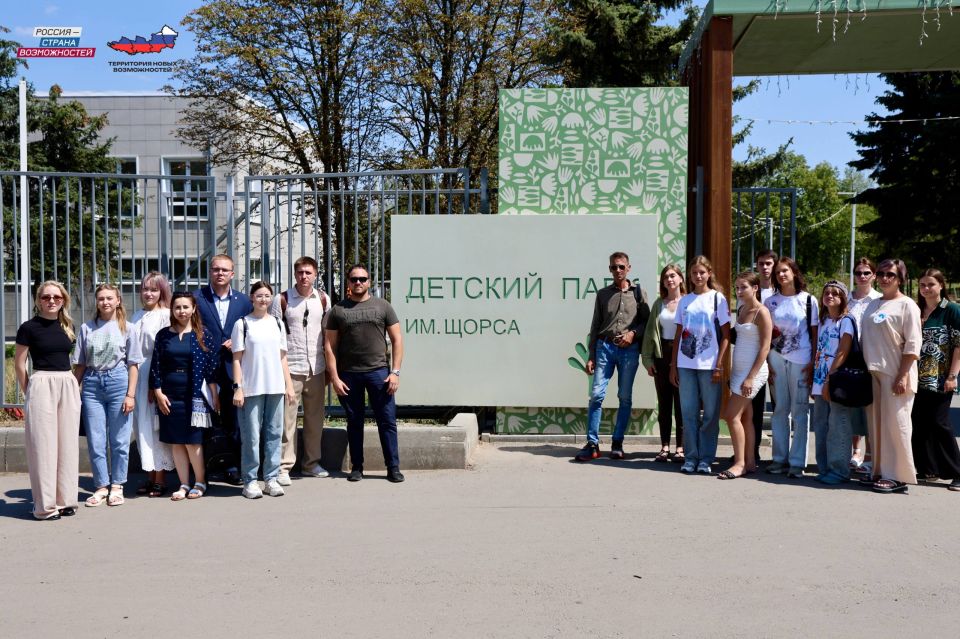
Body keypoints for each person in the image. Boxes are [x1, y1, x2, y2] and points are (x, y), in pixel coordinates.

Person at [325, 264, 405, 482]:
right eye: (354, 279)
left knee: (387, 421)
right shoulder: (338, 310)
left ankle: (393, 467)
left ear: (369, 282)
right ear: (348, 282)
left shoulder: (383, 306)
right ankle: (357, 467)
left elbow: (397, 339)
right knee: (354, 421)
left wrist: (395, 372)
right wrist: (335, 377)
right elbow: (329, 346)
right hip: (349, 375)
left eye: (362, 279)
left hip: (379, 373)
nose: (358, 282)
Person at [14, 282, 81, 520]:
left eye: (56, 297)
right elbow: (19, 364)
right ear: (38, 300)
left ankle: (65, 500)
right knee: (43, 446)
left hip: (67, 383)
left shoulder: (68, 325)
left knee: (67, 444)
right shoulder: (28, 328)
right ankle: (45, 506)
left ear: (63, 300)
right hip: (42, 383)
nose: (51, 301)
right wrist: (29, 390)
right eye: (46, 297)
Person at [73, 283, 144, 507]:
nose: (105, 302)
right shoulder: (87, 328)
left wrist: (130, 395)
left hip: (118, 382)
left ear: (118, 300)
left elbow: (134, 364)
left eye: (109, 298)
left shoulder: (128, 328)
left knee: (119, 440)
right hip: (92, 385)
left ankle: (118, 485)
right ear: (97, 301)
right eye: (101, 298)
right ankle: (101, 485)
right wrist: (74, 389)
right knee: (96, 440)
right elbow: (81, 364)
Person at [575, 251, 650, 462]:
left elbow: (647, 323)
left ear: (628, 268)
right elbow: (595, 325)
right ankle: (592, 444)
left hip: (629, 350)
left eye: (621, 266)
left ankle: (618, 442)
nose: (617, 270)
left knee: (624, 397)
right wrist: (591, 355)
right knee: (596, 395)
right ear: (609, 269)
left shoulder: (639, 293)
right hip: (605, 348)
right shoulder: (602, 294)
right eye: (613, 267)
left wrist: (633, 333)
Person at [860, 258, 922, 494]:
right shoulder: (873, 304)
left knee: (897, 426)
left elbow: (913, 344)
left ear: (901, 279)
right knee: (877, 427)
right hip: (873, 373)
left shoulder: (907, 305)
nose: (885, 278)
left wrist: (902, 375)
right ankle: (878, 470)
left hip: (896, 374)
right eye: (882, 274)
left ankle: (897, 476)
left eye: (891, 275)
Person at [151, 292, 220, 501]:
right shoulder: (163, 335)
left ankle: (200, 482)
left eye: (185, 307)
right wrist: (158, 392)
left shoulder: (203, 334)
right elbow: (156, 366)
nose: (182, 311)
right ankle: (183, 484)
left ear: (193, 309)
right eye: (177, 307)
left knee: (193, 441)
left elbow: (212, 368)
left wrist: (215, 396)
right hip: (169, 395)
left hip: (194, 394)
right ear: (172, 310)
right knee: (176, 442)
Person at [270, 256, 332, 484]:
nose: (304, 277)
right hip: (290, 368)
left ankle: (311, 464)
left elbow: (328, 333)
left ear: (315, 275)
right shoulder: (282, 299)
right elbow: (273, 334)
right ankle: (284, 467)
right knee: (287, 421)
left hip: (316, 368)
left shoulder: (323, 299)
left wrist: (330, 368)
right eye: (300, 273)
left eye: (308, 273)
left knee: (315, 420)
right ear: (295, 274)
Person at [232, 281, 296, 499]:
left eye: (267, 295)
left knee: (274, 433)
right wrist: (238, 388)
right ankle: (250, 480)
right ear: (252, 298)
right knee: (251, 436)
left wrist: (288, 386)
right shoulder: (242, 324)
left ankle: (270, 478)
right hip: (251, 388)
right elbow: (237, 359)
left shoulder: (277, 323)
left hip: (275, 387)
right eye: (259, 295)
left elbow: (282, 357)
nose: (263, 299)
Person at [194, 254, 253, 485]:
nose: (220, 273)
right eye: (216, 269)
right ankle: (202, 469)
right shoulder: (197, 298)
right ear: (210, 271)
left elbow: (251, 329)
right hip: (203, 367)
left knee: (234, 421)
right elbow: (190, 327)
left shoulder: (243, 301)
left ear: (232, 274)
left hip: (232, 368)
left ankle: (233, 467)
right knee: (201, 419)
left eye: (224, 270)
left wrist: (238, 341)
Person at [670, 255, 730, 475]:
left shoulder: (717, 299)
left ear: (709, 273)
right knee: (689, 413)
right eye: (694, 273)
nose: (698, 276)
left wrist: (719, 364)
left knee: (711, 415)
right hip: (686, 365)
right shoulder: (685, 301)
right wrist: (673, 365)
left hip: (709, 366)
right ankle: (691, 457)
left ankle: (705, 458)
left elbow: (726, 335)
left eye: (702, 272)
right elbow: (678, 334)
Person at [763, 257, 819, 478]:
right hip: (776, 360)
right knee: (780, 410)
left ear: (794, 272)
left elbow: (814, 334)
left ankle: (797, 462)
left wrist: (813, 362)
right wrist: (767, 362)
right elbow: (766, 336)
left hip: (801, 360)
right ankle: (779, 459)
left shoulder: (808, 300)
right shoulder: (770, 302)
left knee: (800, 411)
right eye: (778, 272)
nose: (781, 275)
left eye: (785, 271)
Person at [718, 272, 771, 479]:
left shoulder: (762, 312)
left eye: (743, 287)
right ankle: (749, 462)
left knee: (731, 416)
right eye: (737, 287)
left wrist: (750, 377)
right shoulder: (741, 309)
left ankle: (738, 464)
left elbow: (765, 347)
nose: (739, 291)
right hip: (739, 371)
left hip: (752, 373)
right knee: (746, 418)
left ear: (755, 288)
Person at [912, 269, 960, 491]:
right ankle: (928, 469)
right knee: (919, 422)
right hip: (916, 377)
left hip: (940, 378)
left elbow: (958, 346)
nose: (926, 289)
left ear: (941, 285)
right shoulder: (917, 310)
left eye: (930, 284)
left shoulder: (951, 310)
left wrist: (953, 375)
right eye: (922, 285)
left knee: (940, 423)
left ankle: (957, 471)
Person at [130, 272, 174, 497]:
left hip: (154, 372)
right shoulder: (136, 315)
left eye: (154, 289)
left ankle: (160, 478)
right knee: (141, 427)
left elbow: (165, 351)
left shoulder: (166, 316)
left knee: (155, 427)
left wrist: (154, 384)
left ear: (162, 292)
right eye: (145, 289)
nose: (149, 293)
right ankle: (149, 475)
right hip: (135, 373)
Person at [810, 281, 856, 485]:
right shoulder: (823, 320)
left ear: (843, 298)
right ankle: (824, 467)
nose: (829, 296)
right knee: (821, 425)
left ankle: (840, 470)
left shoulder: (846, 321)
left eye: (835, 294)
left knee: (838, 424)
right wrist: (815, 381)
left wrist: (830, 379)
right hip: (819, 378)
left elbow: (843, 351)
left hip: (836, 379)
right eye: (826, 293)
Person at [641, 264, 684, 462]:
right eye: (666, 277)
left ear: (681, 278)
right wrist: (648, 359)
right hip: (661, 355)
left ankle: (681, 447)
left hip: (683, 357)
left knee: (682, 403)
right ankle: (665, 445)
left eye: (673, 276)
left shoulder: (688, 301)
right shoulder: (659, 304)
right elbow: (650, 333)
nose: (669, 280)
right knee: (664, 402)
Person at [847, 257, 882, 470]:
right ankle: (855, 451)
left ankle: (869, 455)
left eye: (866, 273)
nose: (862, 276)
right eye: (858, 273)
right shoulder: (846, 299)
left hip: (871, 357)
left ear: (874, 276)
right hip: (849, 357)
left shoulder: (879, 299)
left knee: (869, 406)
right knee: (851, 406)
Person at [751, 249, 778, 461]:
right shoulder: (752, 290)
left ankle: (780, 454)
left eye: (768, 263)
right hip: (756, 355)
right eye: (761, 263)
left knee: (779, 406)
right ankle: (752, 450)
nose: (765, 267)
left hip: (778, 355)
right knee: (755, 406)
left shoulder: (782, 291)